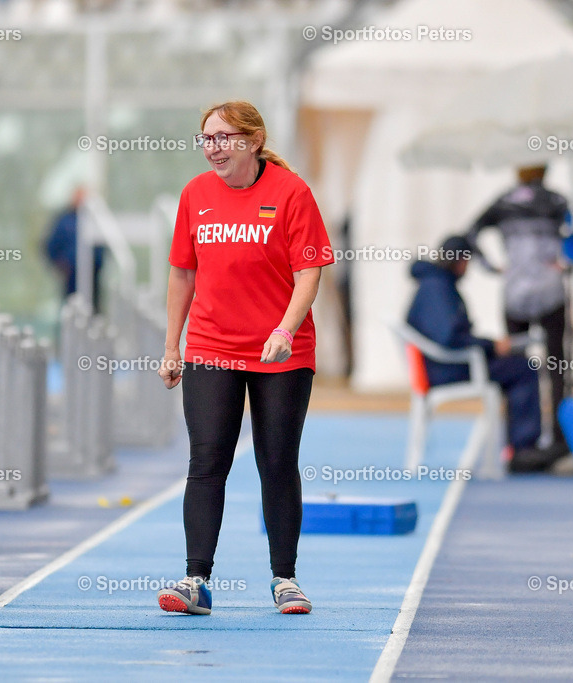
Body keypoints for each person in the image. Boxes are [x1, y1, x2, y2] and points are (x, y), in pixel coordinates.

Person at [155, 100, 334, 616]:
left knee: (276, 462)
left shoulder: (291, 193)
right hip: (212, 347)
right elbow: (182, 274)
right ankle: (195, 581)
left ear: (253, 141)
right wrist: (172, 346)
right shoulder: (195, 195)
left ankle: (285, 579)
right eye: (206, 138)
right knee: (207, 461)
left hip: (282, 349)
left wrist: (285, 328)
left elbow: (309, 273)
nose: (213, 147)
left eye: (224, 137)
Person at [406, 236, 566, 473]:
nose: (467, 268)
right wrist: (490, 346)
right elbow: (450, 337)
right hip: (447, 370)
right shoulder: (436, 288)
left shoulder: (436, 284)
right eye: (466, 261)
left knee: (519, 364)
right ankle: (523, 450)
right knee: (523, 368)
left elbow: (451, 333)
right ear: (458, 261)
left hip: (449, 365)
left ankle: (521, 445)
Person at [466, 165, 570, 446]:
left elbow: (470, 234)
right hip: (550, 290)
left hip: (516, 293)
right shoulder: (557, 200)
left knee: (517, 366)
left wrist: (492, 267)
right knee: (557, 366)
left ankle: (519, 440)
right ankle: (561, 439)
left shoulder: (505, 201)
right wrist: (567, 262)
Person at [44, 187, 105, 313]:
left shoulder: (95, 220)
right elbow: (50, 246)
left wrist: (97, 264)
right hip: (71, 275)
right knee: (70, 309)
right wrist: (62, 265)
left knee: (92, 310)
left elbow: (102, 247)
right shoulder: (64, 221)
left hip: (92, 275)